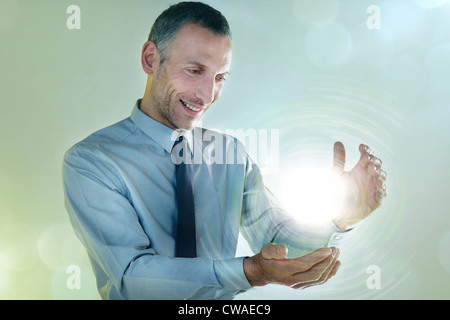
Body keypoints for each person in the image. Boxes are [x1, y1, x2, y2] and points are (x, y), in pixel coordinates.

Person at [62, 1, 387, 300]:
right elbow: (133, 277)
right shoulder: (92, 160)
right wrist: (248, 271)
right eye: (194, 71)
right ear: (151, 59)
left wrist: (342, 218)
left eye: (220, 77)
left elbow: (277, 245)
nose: (207, 94)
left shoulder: (230, 153)